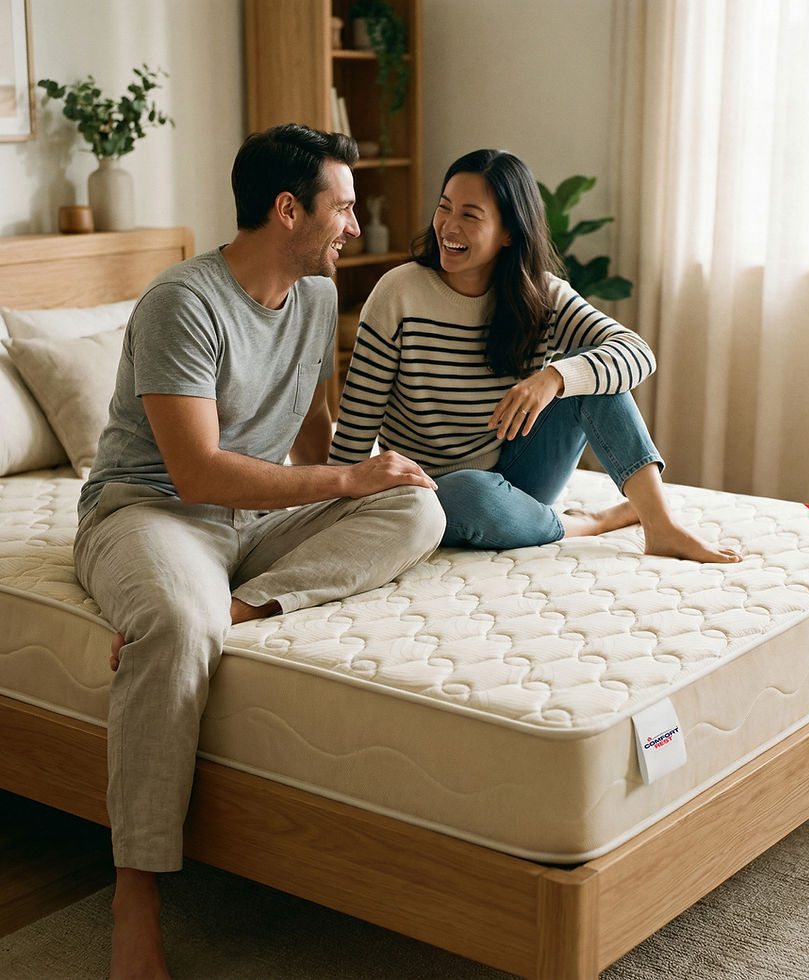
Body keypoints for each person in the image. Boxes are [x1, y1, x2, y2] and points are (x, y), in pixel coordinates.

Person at [73, 123, 446, 979]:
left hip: (247, 523)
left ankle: (232, 611)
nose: (354, 227)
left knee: (420, 511)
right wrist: (345, 486)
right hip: (151, 511)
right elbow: (198, 473)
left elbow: (312, 445)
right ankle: (136, 900)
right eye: (343, 208)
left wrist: (366, 481)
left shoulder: (314, 299)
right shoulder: (183, 302)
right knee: (172, 619)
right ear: (288, 210)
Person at [329, 148, 740, 563]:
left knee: (591, 372)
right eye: (444, 208)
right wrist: (333, 503)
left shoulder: (541, 295)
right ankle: (590, 524)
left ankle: (661, 526)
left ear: (509, 232)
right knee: (472, 492)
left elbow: (637, 353)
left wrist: (555, 378)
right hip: (434, 492)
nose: (448, 227)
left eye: (470, 215)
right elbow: (355, 427)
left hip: (520, 468)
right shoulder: (398, 294)